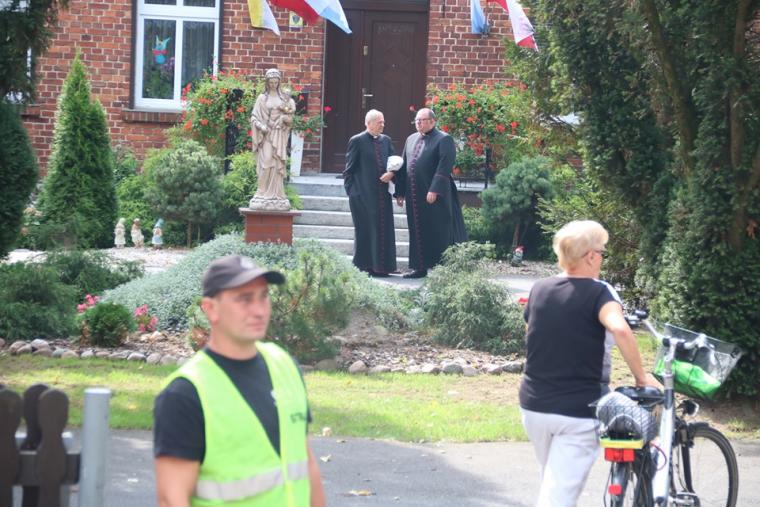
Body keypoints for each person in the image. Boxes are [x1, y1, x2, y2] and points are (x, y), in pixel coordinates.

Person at [153, 255, 326, 507]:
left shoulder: (285, 365)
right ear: (210, 309)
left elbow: (305, 462)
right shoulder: (185, 393)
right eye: (244, 299)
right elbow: (172, 498)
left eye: (263, 296)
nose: (259, 310)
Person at [519, 220, 659, 507]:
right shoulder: (600, 293)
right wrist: (642, 377)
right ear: (591, 256)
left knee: (552, 485)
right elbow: (620, 330)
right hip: (578, 412)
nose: (603, 258)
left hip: (533, 407)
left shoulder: (540, 289)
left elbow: (532, 332)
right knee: (556, 498)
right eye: (602, 252)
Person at [394, 108, 467, 278]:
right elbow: (404, 166)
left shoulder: (444, 139)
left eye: (422, 120)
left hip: (435, 195)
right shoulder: (411, 139)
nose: (418, 123)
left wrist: (435, 188)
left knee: (438, 231)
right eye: (417, 120)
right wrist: (400, 192)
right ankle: (419, 268)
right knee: (417, 230)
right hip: (414, 195)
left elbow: (445, 166)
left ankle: (443, 269)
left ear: (432, 121)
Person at [343, 109, 397, 276]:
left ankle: (383, 267)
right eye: (379, 122)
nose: (383, 125)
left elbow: (394, 163)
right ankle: (365, 266)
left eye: (383, 122)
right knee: (366, 230)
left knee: (384, 230)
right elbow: (349, 171)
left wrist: (392, 174)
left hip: (383, 195)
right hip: (363, 195)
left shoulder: (386, 140)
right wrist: (352, 193)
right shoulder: (357, 141)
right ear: (369, 123)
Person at [249, 68, 296, 211]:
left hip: (279, 134)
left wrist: (284, 118)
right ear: (267, 82)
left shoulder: (285, 99)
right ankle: (261, 192)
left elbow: (290, 119)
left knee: (276, 162)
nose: (274, 85)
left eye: (276, 82)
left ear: (279, 82)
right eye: (271, 82)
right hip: (266, 134)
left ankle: (277, 195)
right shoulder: (262, 98)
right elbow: (254, 117)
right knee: (266, 161)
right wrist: (261, 126)